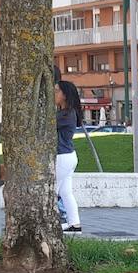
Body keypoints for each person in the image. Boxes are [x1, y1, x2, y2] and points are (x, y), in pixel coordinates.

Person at [55, 78, 83, 233]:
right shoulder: (65, 113)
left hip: (63, 157)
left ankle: (50, 223)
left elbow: (46, 124)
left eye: (57, 90)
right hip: (68, 156)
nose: (54, 93)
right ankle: (74, 224)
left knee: (52, 190)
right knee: (65, 192)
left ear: (65, 95)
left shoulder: (66, 115)